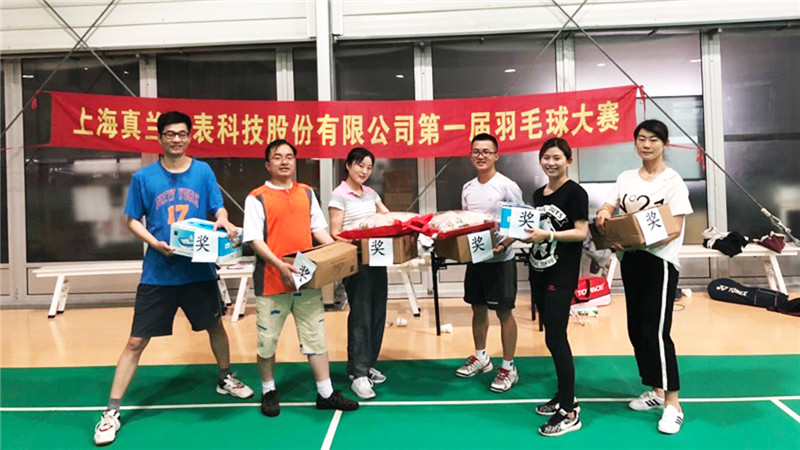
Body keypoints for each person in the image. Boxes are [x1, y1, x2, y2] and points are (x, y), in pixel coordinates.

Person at [93, 111, 253, 446]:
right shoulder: (144, 177)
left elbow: (217, 208)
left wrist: (224, 220)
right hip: (159, 272)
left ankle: (225, 378)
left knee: (215, 327)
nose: (176, 139)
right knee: (136, 341)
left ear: (190, 136)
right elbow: (132, 219)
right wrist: (154, 243)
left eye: (182, 133)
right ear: (160, 138)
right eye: (170, 134)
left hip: (198, 271)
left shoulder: (203, 171)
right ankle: (111, 411)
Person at [242, 139, 359, 418]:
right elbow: (255, 240)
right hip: (272, 281)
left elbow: (319, 230)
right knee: (267, 341)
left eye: (289, 157)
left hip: (306, 281)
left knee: (315, 338)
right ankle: (268, 390)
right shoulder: (256, 197)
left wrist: (338, 250)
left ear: (295, 162)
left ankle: (325, 393)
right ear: (267, 164)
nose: (284, 162)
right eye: (277, 157)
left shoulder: (306, 193)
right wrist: (280, 265)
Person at [595, 119, 693, 434]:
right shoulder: (626, 178)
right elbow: (609, 205)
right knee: (637, 330)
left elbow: (674, 228)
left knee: (657, 331)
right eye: (641, 138)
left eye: (653, 139)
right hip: (631, 259)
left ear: (664, 144)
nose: (646, 144)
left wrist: (638, 238)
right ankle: (656, 391)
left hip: (659, 262)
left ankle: (674, 404)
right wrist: (604, 214)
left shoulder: (673, 181)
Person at [520, 138, 588, 437]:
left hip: (561, 274)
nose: (551, 162)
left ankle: (570, 409)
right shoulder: (538, 194)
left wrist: (548, 236)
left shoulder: (576, 192)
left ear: (568, 160)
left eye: (557, 157)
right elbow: (536, 229)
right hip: (538, 270)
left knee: (557, 337)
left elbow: (581, 232)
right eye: (546, 157)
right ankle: (562, 395)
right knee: (551, 336)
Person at [455, 133, 523, 393]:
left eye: (486, 151)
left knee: (504, 312)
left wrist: (503, 245)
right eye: (476, 151)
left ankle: (508, 366)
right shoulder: (467, 187)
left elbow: (521, 222)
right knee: (477, 307)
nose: (480, 156)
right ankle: (481, 357)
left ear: (496, 155)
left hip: (500, 259)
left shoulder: (507, 186)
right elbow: (466, 222)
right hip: (476, 258)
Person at [329, 147, 391, 400]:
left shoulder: (371, 194)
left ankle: (367, 364)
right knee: (361, 315)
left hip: (377, 257)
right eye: (360, 165)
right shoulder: (339, 195)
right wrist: (360, 238)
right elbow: (335, 232)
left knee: (378, 312)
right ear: (348, 165)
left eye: (368, 167)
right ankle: (358, 373)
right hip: (356, 261)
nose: (364, 171)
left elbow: (386, 217)